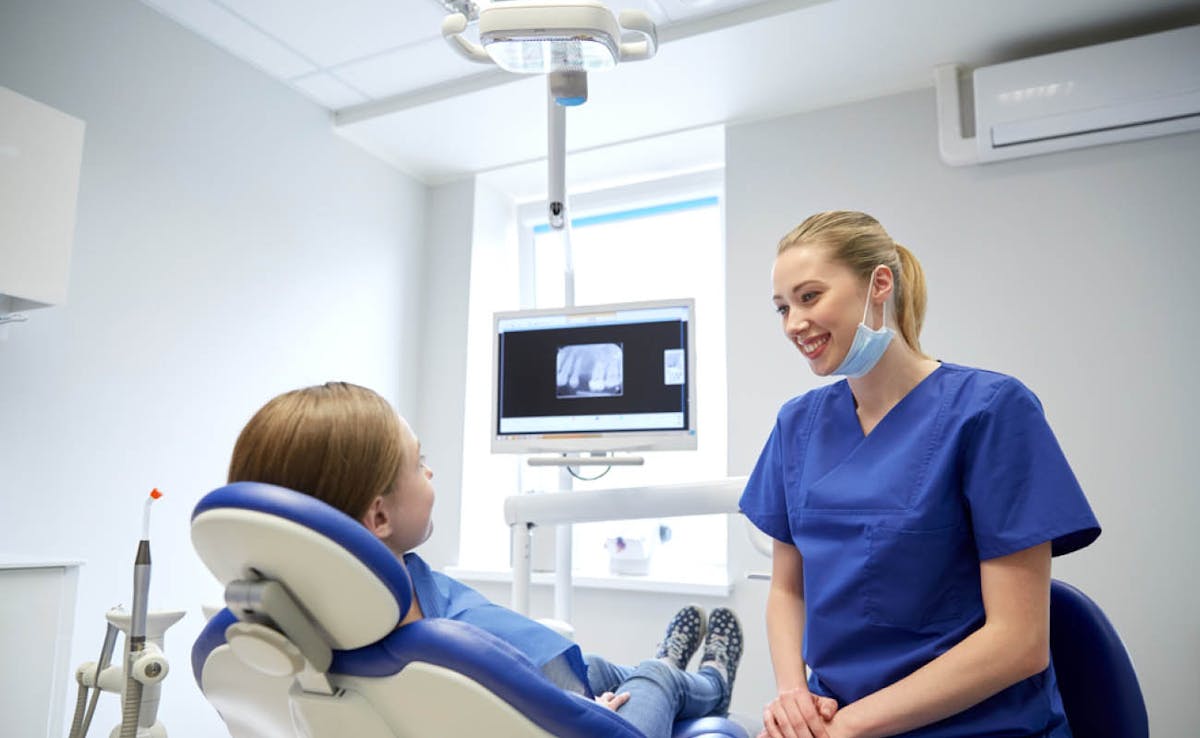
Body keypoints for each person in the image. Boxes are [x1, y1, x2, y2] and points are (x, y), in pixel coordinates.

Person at [740, 211, 1101, 738]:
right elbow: (787, 591)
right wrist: (793, 693)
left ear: (879, 284)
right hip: (831, 719)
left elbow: (1019, 642)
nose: (794, 323)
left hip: (977, 727)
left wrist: (847, 728)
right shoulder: (798, 425)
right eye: (782, 307)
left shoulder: (990, 411)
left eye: (810, 296)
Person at [227, 381, 744, 738]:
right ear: (378, 516)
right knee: (653, 677)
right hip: (576, 717)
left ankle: (671, 671)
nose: (430, 475)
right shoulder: (435, 654)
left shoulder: (288, 633)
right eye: (420, 463)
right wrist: (582, 716)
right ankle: (704, 678)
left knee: (604, 667)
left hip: (554, 675)